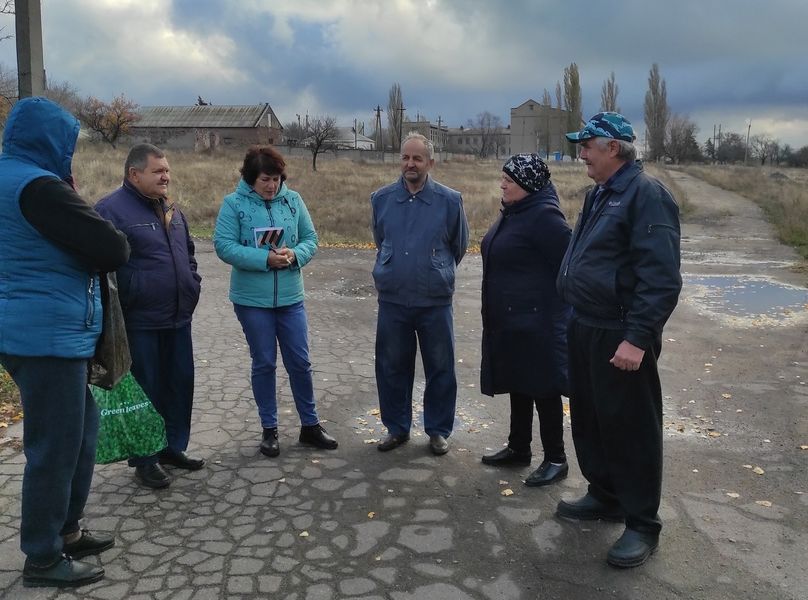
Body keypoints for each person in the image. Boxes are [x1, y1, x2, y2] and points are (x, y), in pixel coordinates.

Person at [0, 97, 130, 587]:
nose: (70, 152)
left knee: (80, 431)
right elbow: (112, 247)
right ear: (50, 140)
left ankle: (67, 530)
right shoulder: (39, 187)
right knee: (55, 445)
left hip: (29, 330)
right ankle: (42, 555)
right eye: (67, 143)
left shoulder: (8, 176)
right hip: (46, 334)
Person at [556, 112, 682, 568]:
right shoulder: (599, 194)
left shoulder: (646, 196)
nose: (581, 153)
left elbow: (662, 278)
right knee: (590, 419)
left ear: (613, 148)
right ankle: (605, 495)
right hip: (585, 324)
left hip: (620, 332)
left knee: (630, 428)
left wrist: (637, 338)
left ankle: (641, 523)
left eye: (587, 144)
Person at [213, 145, 338, 456]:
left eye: (277, 179)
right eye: (265, 179)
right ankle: (269, 430)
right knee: (265, 362)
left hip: (290, 297)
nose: (271, 186)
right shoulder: (233, 204)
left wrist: (295, 254)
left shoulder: (293, 201)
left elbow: (311, 238)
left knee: (300, 362)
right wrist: (264, 259)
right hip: (252, 301)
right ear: (250, 178)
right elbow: (224, 246)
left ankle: (310, 426)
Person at [95, 144, 204, 489]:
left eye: (167, 171)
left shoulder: (171, 209)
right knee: (148, 389)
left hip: (177, 317)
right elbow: (101, 267)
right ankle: (146, 458)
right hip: (139, 320)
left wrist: (192, 284)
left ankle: (173, 447)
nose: (166, 177)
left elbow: (188, 255)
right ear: (134, 174)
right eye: (158, 171)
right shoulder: (110, 210)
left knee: (179, 384)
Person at [371, 132, 469, 455]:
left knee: (440, 366)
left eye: (417, 158)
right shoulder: (381, 199)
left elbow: (459, 245)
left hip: (434, 301)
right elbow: (381, 239)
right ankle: (396, 428)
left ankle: (438, 430)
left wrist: (434, 268)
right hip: (394, 299)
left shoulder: (450, 201)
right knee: (391, 365)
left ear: (430, 162)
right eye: (405, 158)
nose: (410, 164)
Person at [479, 154, 572, 487]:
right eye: (503, 177)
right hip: (513, 321)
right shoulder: (515, 211)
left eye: (510, 180)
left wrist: (549, 311)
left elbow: (569, 268)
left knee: (545, 390)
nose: (502, 184)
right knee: (519, 385)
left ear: (529, 185)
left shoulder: (545, 218)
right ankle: (519, 448)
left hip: (539, 324)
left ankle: (556, 459)